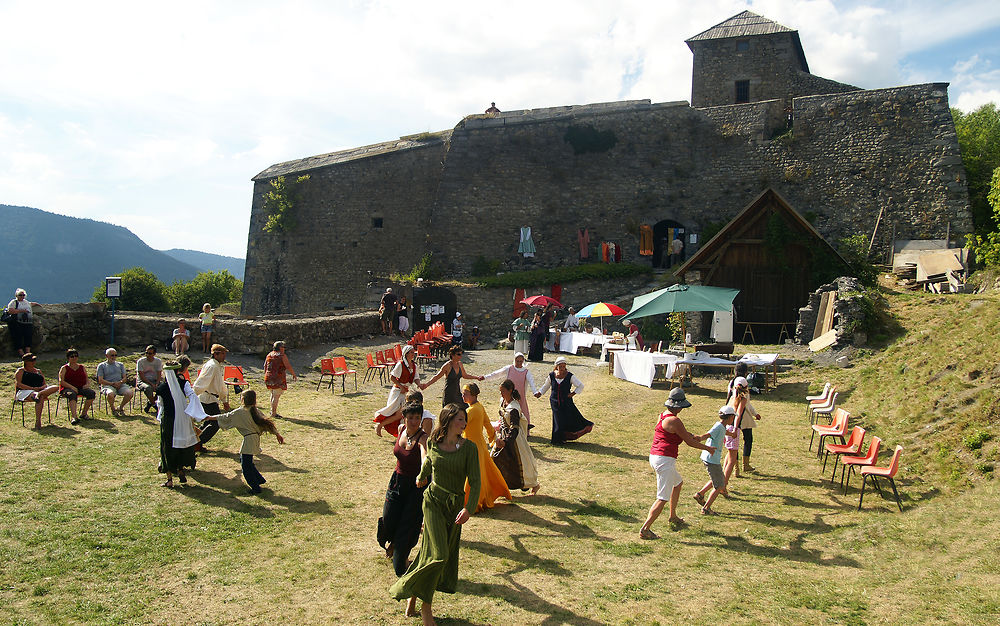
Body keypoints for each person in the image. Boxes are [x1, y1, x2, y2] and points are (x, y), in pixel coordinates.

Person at [389, 403, 480, 624]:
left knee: (430, 553)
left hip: (455, 507)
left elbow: (475, 482)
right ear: (448, 420)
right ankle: (426, 607)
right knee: (439, 555)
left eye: (464, 420)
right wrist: (421, 475)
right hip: (433, 502)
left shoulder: (469, 448)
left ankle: (413, 594)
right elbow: (429, 461)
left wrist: (469, 508)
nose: (464, 423)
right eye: (460, 419)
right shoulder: (433, 442)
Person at [639, 387, 715, 538]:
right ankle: (645, 529)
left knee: (678, 484)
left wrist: (693, 436)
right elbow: (688, 442)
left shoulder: (662, 416)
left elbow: (681, 434)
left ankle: (672, 516)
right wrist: (707, 448)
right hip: (664, 460)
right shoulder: (675, 420)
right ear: (678, 406)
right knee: (662, 498)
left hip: (656, 456)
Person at [377, 403, 428, 576]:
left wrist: (424, 471)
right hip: (397, 481)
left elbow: (425, 455)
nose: (414, 422)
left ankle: (403, 556)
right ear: (404, 418)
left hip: (415, 487)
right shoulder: (400, 430)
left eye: (417, 418)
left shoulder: (422, 438)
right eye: (411, 418)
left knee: (409, 524)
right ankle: (393, 542)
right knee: (388, 517)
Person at [202, 389, 285, 494]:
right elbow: (267, 423)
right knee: (246, 461)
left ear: (243, 399)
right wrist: (277, 434)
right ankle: (259, 480)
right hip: (253, 439)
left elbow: (224, 417)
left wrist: (209, 417)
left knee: (246, 466)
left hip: (249, 439)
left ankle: (255, 487)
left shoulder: (241, 411)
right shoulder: (255, 410)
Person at [156, 356, 207, 488]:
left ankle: (169, 479)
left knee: (167, 446)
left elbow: (161, 405)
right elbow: (192, 395)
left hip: (169, 420)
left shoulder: (162, 388)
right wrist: (192, 412)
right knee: (181, 444)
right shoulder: (183, 383)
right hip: (182, 418)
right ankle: (180, 469)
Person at [460, 383, 511, 513]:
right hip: (481, 446)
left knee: (474, 475)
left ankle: (473, 502)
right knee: (484, 472)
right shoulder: (479, 407)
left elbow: (461, 427)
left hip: (471, 446)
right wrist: (494, 439)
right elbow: (488, 424)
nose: (463, 396)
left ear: (473, 395)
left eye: (465, 394)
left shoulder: (470, 411)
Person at [492, 380, 540, 494]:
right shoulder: (503, 401)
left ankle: (534, 484)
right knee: (494, 459)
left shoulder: (514, 408)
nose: (501, 394)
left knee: (521, 464)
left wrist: (506, 442)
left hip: (514, 439)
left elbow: (514, 428)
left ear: (510, 391)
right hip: (503, 436)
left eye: (503, 391)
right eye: (500, 391)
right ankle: (498, 486)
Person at [534, 356, 593, 444]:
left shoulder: (570, 376)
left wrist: (573, 393)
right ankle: (557, 440)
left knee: (567, 418)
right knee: (557, 419)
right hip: (554, 401)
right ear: (556, 366)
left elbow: (580, 385)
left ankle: (564, 437)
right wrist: (540, 393)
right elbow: (546, 386)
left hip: (566, 401)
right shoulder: (551, 375)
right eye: (560, 366)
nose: (562, 368)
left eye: (563, 366)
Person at [693, 406, 736, 515]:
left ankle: (700, 494)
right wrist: (699, 438)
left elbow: (723, 431)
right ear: (730, 417)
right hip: (712, 459)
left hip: (711, 458)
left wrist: (731, 434)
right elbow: (708, 434)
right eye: (733, 417)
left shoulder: (721, 426)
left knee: (718, 479)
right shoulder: (718, 427)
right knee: (720, 485)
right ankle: (706, 508)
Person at [375, 345, 421, 438]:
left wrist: (420, 385)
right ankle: (380, 425)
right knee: (397, 413)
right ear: (406, 354)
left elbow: (416, 378)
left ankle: (404, 434)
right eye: (411, 352)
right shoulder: (400, 364)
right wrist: (401, 386)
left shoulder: (414, 365)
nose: (413, 354)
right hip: (397, 392)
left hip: (406, 393)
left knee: (402, 414)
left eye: (413, 352)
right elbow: (392, 377)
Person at [483, 352, 538, 428]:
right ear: (514, 360)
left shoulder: (526, 372)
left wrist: (535, 392)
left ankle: (523, 429)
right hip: (508, 396)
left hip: (520, 397)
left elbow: (531, 382)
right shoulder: (509, 368)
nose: (519, 363)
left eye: (520, 361)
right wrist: (485, 377)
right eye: (517, 361)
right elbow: (497, 374)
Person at [193, 344, 230, 450]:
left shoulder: (216, 365)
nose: (224, 356)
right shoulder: (212, 366)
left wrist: (224, 400)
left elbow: (220, 384)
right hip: (207, 398)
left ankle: (196, 441)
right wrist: (193, 395)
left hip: (211, 398)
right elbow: (202, 381)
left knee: (209, 421)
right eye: (222, 354)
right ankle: (197, 443)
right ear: (215, 354)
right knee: (216, 422)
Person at [727, 366, 763, 474]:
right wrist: (754, 413)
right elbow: (746, 405)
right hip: (742, 417)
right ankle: (743, 465)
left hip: (732, 417)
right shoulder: (743, 389)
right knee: (747, 440)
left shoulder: (732, 383)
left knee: (734, 443)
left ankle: (736, 467)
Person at [14, 353, 59, 429]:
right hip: (25, 391)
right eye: (31, 360)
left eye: (34, 360)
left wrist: (40, 388)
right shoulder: (21, 371)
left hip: (39, 390)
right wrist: (32, 388)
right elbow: (19, 384)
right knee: (39, 397)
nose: (33, 362)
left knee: (55, 387)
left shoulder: (38, 371)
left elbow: (45, 384)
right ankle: (38, 421)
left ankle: (39, 394)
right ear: (26, 361)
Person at [58, 348, 96, 425]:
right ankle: (74, 417)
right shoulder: (64, 368)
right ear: (68, 358)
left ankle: (84, 413)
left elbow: (86, 378)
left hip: (80, 387)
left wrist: (87, 385)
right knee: (72, 394)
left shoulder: (82, 367)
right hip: (67, 388)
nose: (74, 358)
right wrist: (72, 387)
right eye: (72, 356)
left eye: (76, 356)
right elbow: (61, 381)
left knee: (91, 393)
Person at [97, 347, 134, 417]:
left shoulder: (120, 365)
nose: (114, 357)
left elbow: (125, 378)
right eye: (112, 355)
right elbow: (100, 380)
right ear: (106, 356)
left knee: (130, 393)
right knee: (110, 394)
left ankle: (120, 407)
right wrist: (112, 384)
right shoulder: (102, 366)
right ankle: (113, 408)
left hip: (120, 384)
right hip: (108, 385)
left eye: (115, 355)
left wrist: (120, 382)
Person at [264, 341, 297, 418]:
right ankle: (273, 413)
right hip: (278, 378)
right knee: (276, 396)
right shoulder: (282, 356)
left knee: (273, 394)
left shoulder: (269, 355)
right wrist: (293, 374)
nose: (284, 349)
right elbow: (288, 366)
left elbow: (265, 366)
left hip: (269, 377)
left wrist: (266, 374)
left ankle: (272, 411)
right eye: (283, 347)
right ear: (280, 348)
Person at [6, 288, 39, 357]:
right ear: (16, 295)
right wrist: (21, 311)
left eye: (23, 295)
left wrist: (36, 304)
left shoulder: (26, 302)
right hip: (17, 323)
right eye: (20, 295)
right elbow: (10, 311)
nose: (22, 296)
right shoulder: (14, 302)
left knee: (28, 336)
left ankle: (28, 352)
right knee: (18, 337)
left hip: (27, 322)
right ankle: (21, 353)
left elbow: (30, 304)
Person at [135, 345, 164, 414]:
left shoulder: (158, 361)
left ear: (154, 354)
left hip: (154, 380)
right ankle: (154, 404)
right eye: (146, 353)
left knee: (163, 387)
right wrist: (151, 384)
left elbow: (159, 373)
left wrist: (157, 383)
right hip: (143, 381)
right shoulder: (140, 361)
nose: (147, 355)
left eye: (150, 353)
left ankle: (150, 403)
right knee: (148, 388)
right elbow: (141, 376)